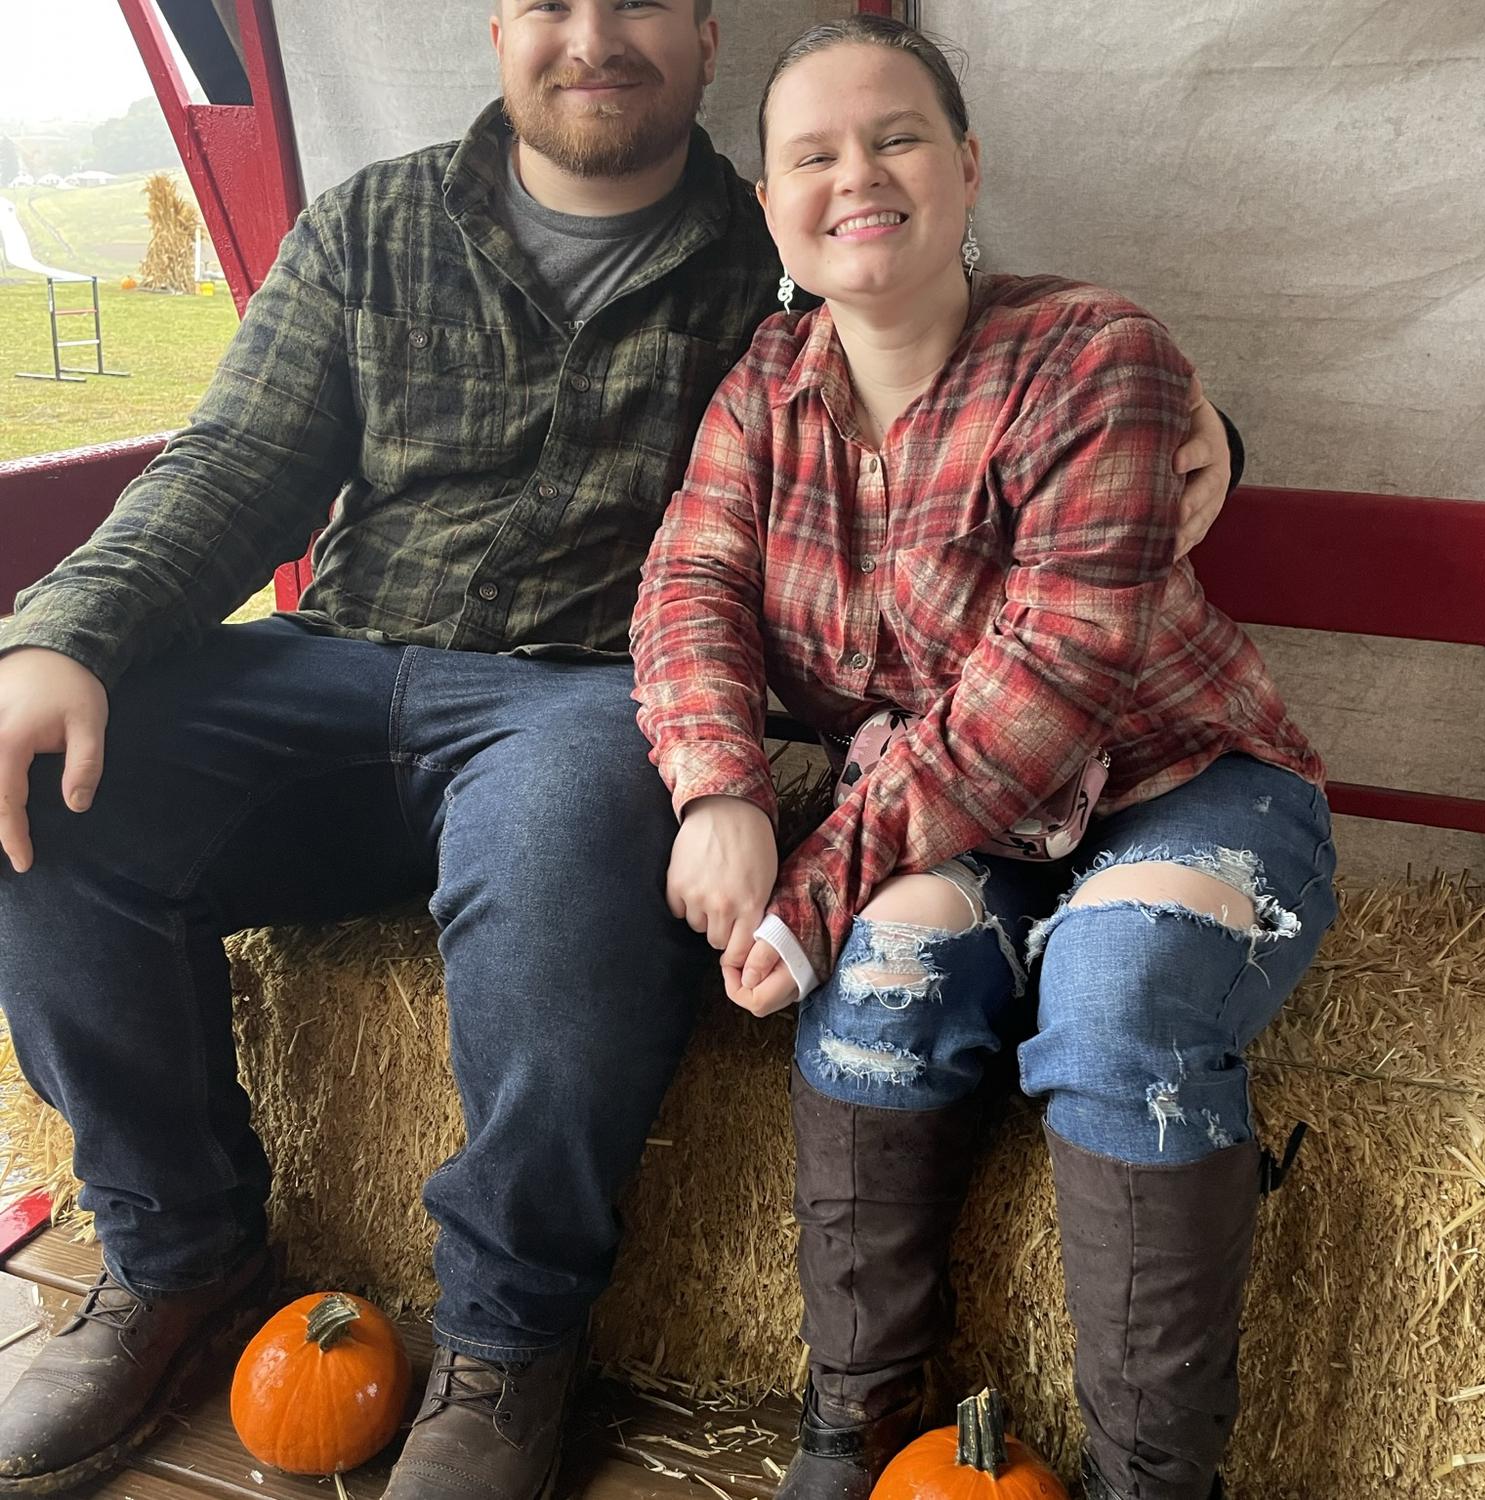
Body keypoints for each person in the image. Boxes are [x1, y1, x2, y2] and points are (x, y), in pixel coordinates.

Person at [0, 4, 1237, 1497]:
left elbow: (946, 344)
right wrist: (60, 635)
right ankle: (175, 1251)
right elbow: (234, 461)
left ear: (708, 38)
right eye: (552, 2)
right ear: (500, 29)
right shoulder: (376, 223)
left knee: (576, 824)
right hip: (331, 667)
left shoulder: (770, 255)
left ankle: (508, 1343)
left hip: (587, 691)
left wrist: (1205, 420)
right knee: (48, 791)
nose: (595, 35)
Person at [632, 18, 1336, 1500]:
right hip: (952, 827)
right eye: (811, 155)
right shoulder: (767, 385)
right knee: (883, 979)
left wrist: (810, 882)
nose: (856, 176)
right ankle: (868, 1436)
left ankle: (1154, 1481)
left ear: (965, 166)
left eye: (894, 137)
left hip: (1179, 784)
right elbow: (690, 586)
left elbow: (1046, 695)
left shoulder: (1098, 352)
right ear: (771, 207)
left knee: (1120, 993)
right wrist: (720, 788)